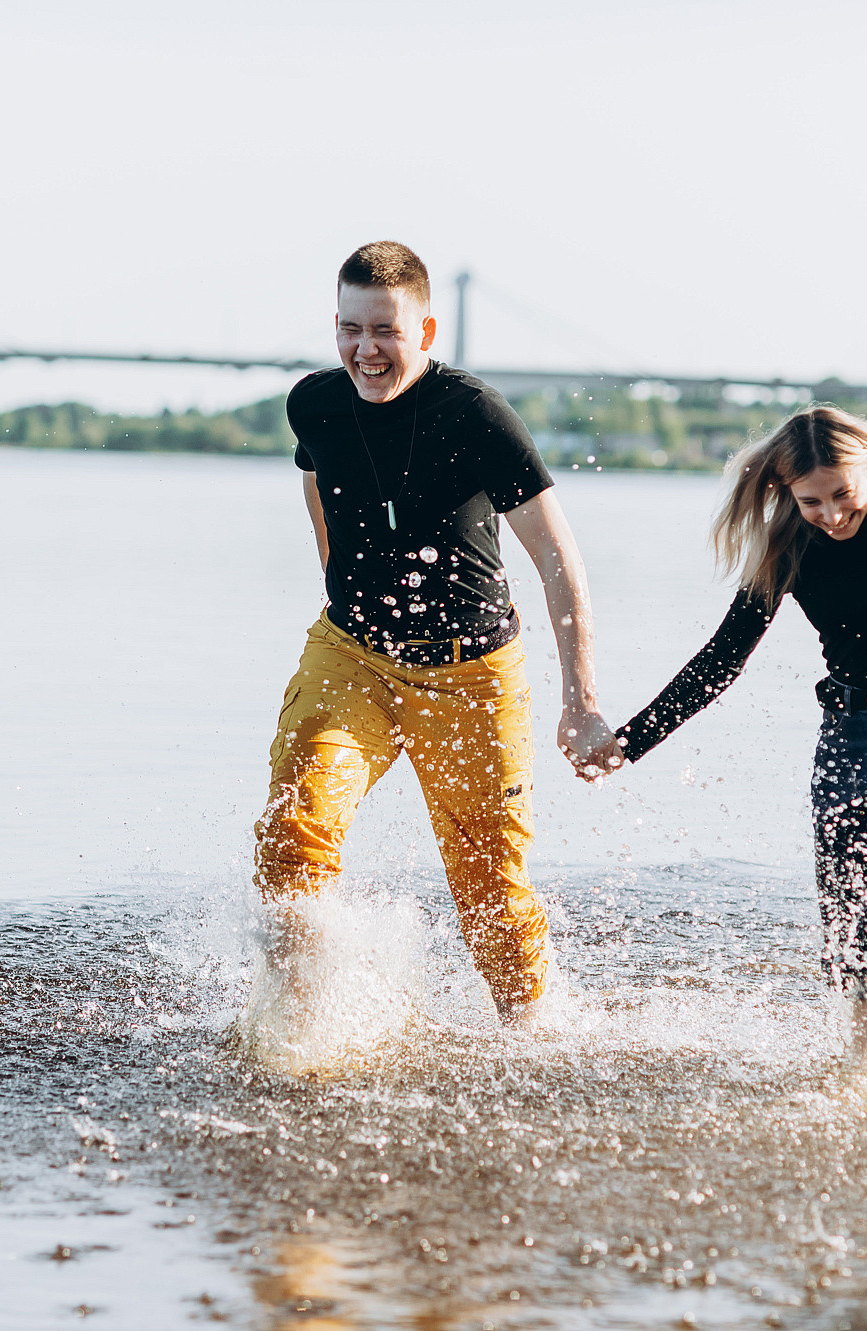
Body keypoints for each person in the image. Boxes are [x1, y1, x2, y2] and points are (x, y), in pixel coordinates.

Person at [582, 405, 867, 1068]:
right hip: (848, 743)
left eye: (843, 494)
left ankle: (866, 1088)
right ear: (783, 491)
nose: (830, 514)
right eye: (811, 501)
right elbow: (721, 661)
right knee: (845, 956)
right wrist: (628, 743)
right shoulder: (787, 546)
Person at [247, 240, 612, 1037]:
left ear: (427, 329)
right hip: (352, 652)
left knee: (490, 892)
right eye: (349, 329)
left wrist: (580, 702)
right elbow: (322, 502)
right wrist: (341, 599)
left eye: (384, 331)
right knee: (292, 826)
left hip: (472, 673)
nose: (364, 350)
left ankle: (531, 1033)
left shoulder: (475, 415)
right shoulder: (312, 403)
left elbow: (557, 558)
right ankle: (301, 1029)